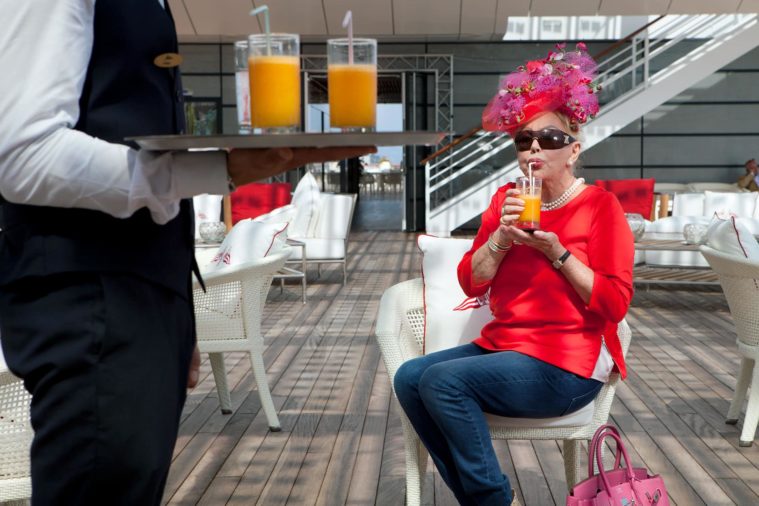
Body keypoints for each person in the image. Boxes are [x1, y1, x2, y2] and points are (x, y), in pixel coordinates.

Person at [0, 1, 374, 504]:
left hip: (136, 300)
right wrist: (213, 170)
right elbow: (21, 154)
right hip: (91, 297)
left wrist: (171, 313)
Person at [393, 43, 634, 505]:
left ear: (574, 149)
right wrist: (501, 239)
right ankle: (485, 499)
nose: (535, 147)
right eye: (524, 140)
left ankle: (492, 500)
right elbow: (471, 282)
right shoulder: (505, 200)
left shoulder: (600, 207)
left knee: (443, 381)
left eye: (550, 139)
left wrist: (559, 254)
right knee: (409, 378)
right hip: (505, 347)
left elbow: (614, 304)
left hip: (567, 365)